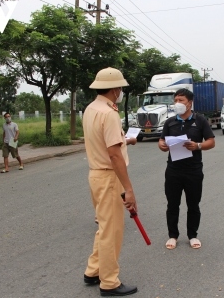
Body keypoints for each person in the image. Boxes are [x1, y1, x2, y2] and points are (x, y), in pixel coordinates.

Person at [82, 67, 138, 297]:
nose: (121, 91)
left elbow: (107, 143)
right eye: (121, 88)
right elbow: (114, 154)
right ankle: (109, 282)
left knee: (104, 227)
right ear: (115, 89)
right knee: (111, 231)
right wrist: (128, 189)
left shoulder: (91, 109)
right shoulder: (109, 113)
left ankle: (93, 270)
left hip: (96, 174)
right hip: (108, 176)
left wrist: (125, 142)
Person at [158, 88, 215, 250]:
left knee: (193, 204)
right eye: (175, 100)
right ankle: (173, 236)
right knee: (172, 204)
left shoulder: (200, 120)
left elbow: (211, 141)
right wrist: (161, 145)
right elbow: (162, 142)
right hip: (173, 170)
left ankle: (192, 235)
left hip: (193, 170)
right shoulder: (170, 122)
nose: (177, 103)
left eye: (181, 100)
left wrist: (197, 145)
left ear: (190, 103)